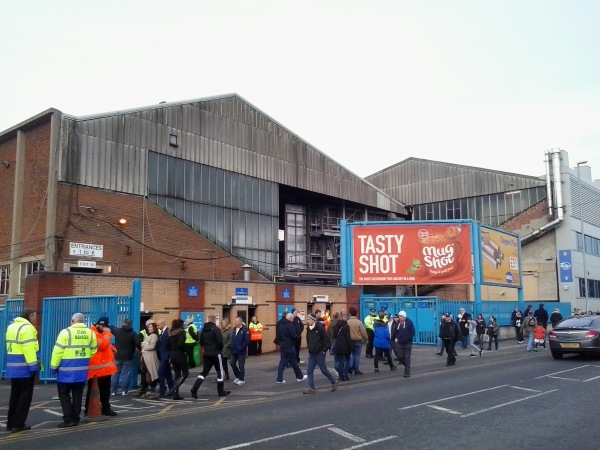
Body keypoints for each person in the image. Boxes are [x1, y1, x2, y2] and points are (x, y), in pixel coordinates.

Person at [51, 312, 98, 428]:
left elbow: (58, 351)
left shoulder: (65, 332)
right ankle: (76, 418)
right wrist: (84, 359)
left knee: (64, 394)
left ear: (73, 321)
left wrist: (53, 367)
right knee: (78, 394)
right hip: (81, 370)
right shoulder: (91, 333)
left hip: (65, 370)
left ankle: (68, 419)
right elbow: (93, 350)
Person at [5, 308, 39, 433]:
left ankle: (10, 422)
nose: (35, 318)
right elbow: (29, 349)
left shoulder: (12, 327)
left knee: (15, 395)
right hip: (25, 368)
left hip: (13, 367)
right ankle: (18, 424)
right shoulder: (28, 328)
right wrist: (33, 366)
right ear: (29, 316)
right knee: (25, 397)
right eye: (34, 316)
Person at [191, 314, 230, 398]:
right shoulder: (216, 329)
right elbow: (220, 342)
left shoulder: (203, 330)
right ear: (214, 320)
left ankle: (194, 388)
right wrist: (219, 349)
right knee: (220, 372)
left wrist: (205, 348)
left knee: (204, 372)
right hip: (216, 353)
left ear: (208, 320)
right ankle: (220, 391)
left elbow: (200, 341)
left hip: (206, 353)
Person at [85, 317, 118, 417]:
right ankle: (88, 410)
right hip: (96, 369)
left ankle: (106, 408)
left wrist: (112, 348)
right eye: (101, 326)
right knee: (92, 391)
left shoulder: (101, 333)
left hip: (105, 369)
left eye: (105, 326)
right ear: (97, 324)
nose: (103, 328)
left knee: (105, 391)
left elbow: (106, 345)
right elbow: (102, 345)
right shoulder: (93, 333)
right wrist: (108, 334)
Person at [303, 313, 337, 394]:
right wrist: (309, 348)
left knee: (324, 370)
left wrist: (323, 350)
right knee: (309, 370)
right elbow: (308, 340)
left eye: (308, 319)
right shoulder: (308, 328)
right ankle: (311, 388)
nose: (307, 321)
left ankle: (333, 382)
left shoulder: (320, 328)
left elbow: (326, 339)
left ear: (313, 320)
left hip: (319, 353)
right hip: (312, 353)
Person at [111, 318, 140, 396]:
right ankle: (124, 391)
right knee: (126, 374)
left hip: (117, 355)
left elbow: (111, 328)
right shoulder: (133, 333)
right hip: (128, 356)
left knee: (115, 373)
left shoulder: (117, 331)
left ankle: (113, 391)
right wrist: (138, 348)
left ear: (124, 323)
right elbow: (138, 342)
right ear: (131, 324)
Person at [276, 313, 307, 383]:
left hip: (283, 345)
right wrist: (295, 341)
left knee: (282, 362)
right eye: (292, 319)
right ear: (290, 318)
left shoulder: (281, 325)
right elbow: (294, 336)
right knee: (293, 362)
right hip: (290, 345)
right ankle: (300, 377)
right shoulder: (290, 325)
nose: (293, 320)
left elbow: (279, 336)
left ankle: (279, 379)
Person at [138, 321, 160, 398]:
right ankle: (143, 389)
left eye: (151, 327)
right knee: (145, 373)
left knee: (152, 373)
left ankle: (144, 389)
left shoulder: (154, 336)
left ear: (154, 328)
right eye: (148, 327)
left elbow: (151, 346)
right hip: (146, 357)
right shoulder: (150, 335)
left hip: (150, 357)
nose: (149, 328)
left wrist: (144, 347)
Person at [168, 319, 188, 400]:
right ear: (181, 325)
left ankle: (176, 395)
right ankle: (174, 388)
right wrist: (185, 349)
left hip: (173, 355)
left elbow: (168, 345)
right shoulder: (182, 332)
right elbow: (181, 344)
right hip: (180, 355)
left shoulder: (170, 333)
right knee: (185, 374)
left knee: (177, 375)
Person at [155, 319, 174, 398]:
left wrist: (170, 358)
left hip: (166, 356)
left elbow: (171, 345)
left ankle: (162, 391)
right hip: (162, 356)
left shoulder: (168, 332)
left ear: (162, 324)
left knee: (160, 372)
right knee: (168, 373)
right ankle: (172, 389)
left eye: (158, 325)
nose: (157, 326)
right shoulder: (162, 332)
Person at [347, 307, 368, 375]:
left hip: (350, 341)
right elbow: (363, 332)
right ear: (356, 314)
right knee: (357, 355)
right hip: (358, 340)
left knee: (352, 354)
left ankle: (350, 366)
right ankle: (356, 369)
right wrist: (366, 338)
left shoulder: (347, 322)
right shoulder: (359, 322)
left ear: (350, 314)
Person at [394, 311, 415, 377]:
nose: (399, 318)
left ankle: (407, 372)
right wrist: (396, 337)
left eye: (400, 316)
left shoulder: (409, 322)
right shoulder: (398, 323)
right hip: (400, 343)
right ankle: (407, 366)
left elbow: (412, 332)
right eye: (399, 316)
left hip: (407, 343)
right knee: (400, 356)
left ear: (404, 316)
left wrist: (408, 338)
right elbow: (395, 331)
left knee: (407, 357)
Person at [230, 317, 250, 386]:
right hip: (234, 351)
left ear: (240, 322)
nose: (235, 322)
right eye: (235, 321)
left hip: (241, 351)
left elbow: (246, 341)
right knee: (232, 363)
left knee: (241, 365)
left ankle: (242, 379)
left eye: (236, 321)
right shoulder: (233, 330)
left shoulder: (245, 330)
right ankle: (238, 376)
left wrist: (241, 348)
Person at [332, 316, 352, 381]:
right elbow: (348, 337)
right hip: (345, 346)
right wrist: (351, 347)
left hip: (338, 345)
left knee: (341, 361)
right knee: (348, 359)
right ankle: (345, 374)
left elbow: (334, 336)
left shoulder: (335, 326)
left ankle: (341, 376)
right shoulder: (346, 326)